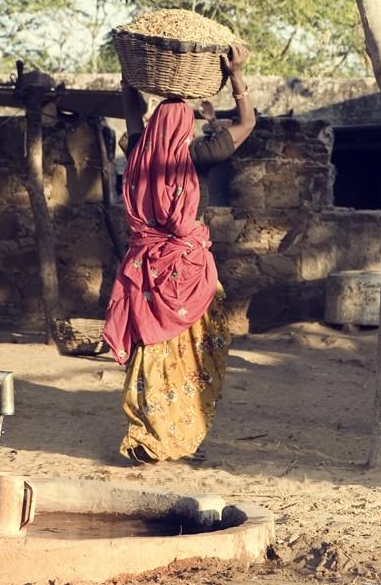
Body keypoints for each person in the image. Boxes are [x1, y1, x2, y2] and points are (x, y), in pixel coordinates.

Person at [104, 43, 255, 463]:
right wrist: (236, 74)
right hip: (189, 273)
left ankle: (147, 433)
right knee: (194, 351)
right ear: (185, 130)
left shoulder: (137, 153)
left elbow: (132, 113)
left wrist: (129, 74)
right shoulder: (197, 157)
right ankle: (179, 434)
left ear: (154, 128)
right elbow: (248, 122)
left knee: (151, 349)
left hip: (147, 271)